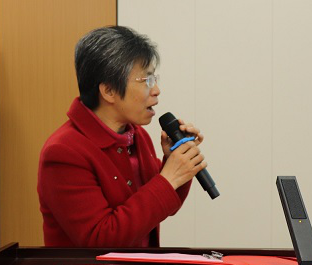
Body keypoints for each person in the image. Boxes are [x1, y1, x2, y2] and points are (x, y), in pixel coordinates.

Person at [37, 26, 207, 247]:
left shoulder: (137, 136)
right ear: (109, 91)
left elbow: (162, 207)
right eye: (146, 80)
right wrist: (168, 178)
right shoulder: (64, 152)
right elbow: (100, 239)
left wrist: (175, 162)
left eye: (154, 79)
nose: (156, 90)